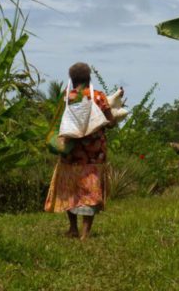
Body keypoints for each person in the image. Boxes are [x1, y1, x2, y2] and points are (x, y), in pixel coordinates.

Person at [44, 62, 119, 240]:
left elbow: (59, 122)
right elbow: (109, 122)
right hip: (94, 156)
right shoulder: (98, 97)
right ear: (89, 78)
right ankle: (85, 233)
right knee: (90, 193)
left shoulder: (67, 97)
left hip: (70, 153)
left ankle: (73, 229)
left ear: (72, 79)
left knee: (70, 190)